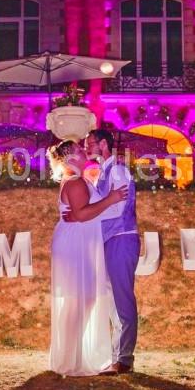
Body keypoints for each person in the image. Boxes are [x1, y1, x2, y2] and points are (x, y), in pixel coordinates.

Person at [47, 140, 128, 377]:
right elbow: (82, 214)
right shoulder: (74, 182)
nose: (84, 152)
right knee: (82, 297)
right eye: (80, 151)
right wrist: (111, 199)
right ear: (70, 159)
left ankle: (70, 354)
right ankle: (71, 357)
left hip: (77, 240)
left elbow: (82, 212)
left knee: (82, 298)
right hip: (75, 243)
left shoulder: (78, 180)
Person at [71, 128, 140, 374]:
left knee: (122, 299)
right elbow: (106, 205)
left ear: (103, 144)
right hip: (110, 240)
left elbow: (117, 210)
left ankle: (124, 359)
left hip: (122, 238)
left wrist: (87, 214)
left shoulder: (118, 171)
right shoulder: (102, 174)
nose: (87, 147)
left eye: (90, 143)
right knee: (113, 300)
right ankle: (118, 357)